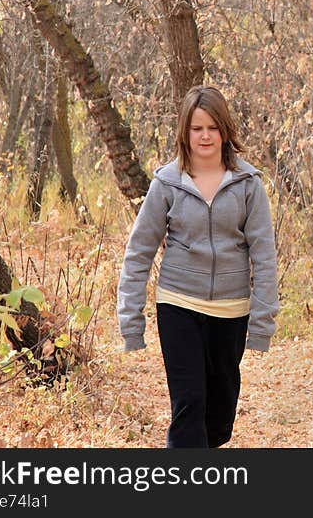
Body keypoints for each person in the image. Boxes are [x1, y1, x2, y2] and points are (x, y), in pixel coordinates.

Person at [116, 85, 279, 448]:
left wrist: (262, 322)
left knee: (218, 421)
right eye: (196, 128)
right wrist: (130, 320)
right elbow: (139, 250)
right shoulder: (167, 184)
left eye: (212, 128)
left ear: (224, 131)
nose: (205, 136)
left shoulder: (248, 185)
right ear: (184, 134)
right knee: (189, 405)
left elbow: (264, 255)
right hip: (179, 304)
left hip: (231, 309)